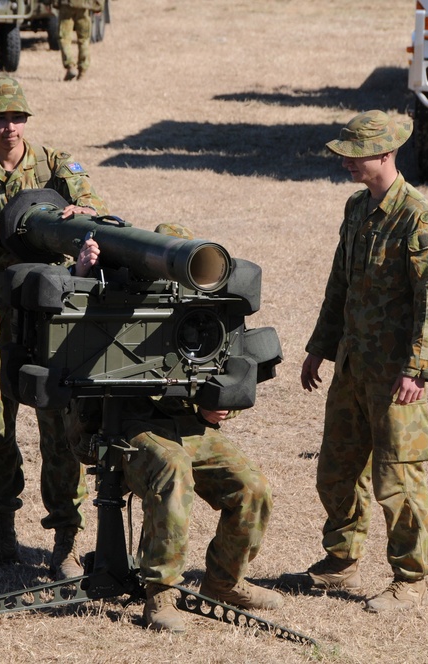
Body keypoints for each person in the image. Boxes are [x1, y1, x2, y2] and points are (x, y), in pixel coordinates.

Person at [69, 223, 284, 633]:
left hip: (189, 424)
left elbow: (229, 369)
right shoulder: (114, 299)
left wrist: (215, 411)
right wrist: (82, 276)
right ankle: (161, 594)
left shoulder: (206, 306)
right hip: (129, 421)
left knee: (252, 488)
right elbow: (74, 344)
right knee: (173, 470)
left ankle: (225, 582)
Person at [0, 75, 108, 580]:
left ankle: (66, 542)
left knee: (60, 430)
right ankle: (2, 533)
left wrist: (80, 216)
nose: (8, 127)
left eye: (15, 118)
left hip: (51, 320)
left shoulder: (57, 165)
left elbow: (92, 209)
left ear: (26, 121)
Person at [295, 110, 428, 612]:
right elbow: (340, 283)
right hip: (352, 366)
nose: (345, 162)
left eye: (354, 153)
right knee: (336, 470)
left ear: (384, 154)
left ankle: (410, 580)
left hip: (395, 375)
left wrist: (418, 369)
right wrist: (320, 345)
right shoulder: (356, 208)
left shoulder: (416, 215)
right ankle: (341, 561)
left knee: (398, 479)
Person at [56, 0, 99, 81]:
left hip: (66, 5)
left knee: (64, 38)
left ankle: (70, 66)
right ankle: (82, 71)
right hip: (84, 5)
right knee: (84, 39)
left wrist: (48, 3)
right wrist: (98, 6)